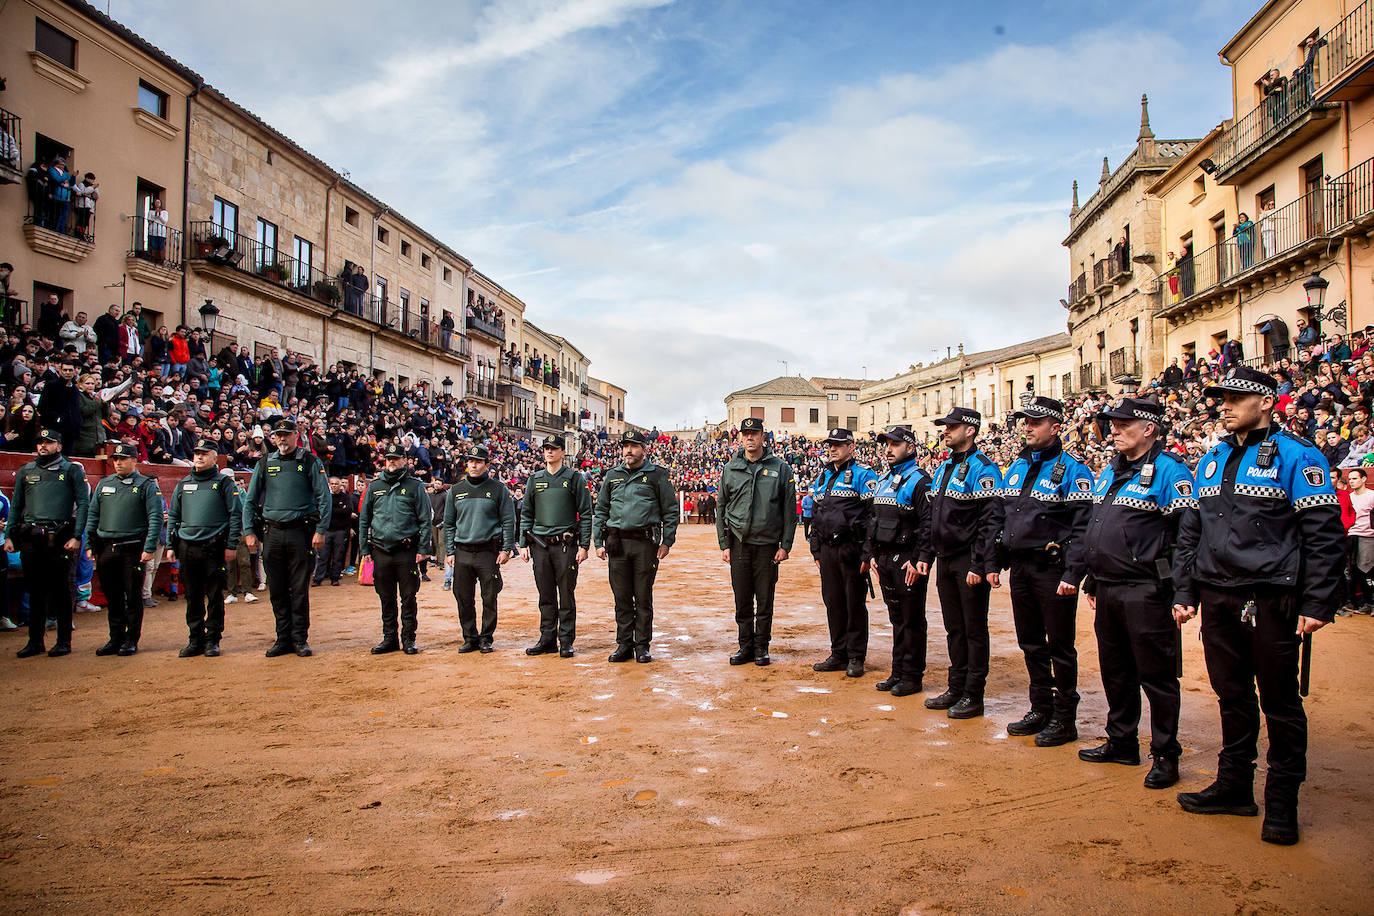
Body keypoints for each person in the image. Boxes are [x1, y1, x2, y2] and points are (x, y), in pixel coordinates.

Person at [1173, 366, 1345, 845]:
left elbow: (1324, 534)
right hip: (1218, 595)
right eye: (1218, 398)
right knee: (1232, 695)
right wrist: (1186, 591)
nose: (1221, 405)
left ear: (1266, 401)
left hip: (1272, 597)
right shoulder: (1211, 458)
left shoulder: (1298, 456)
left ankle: (1282, 802)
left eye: (1233, 397)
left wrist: (1317, 601)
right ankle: (1234, 786)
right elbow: (1192, 531)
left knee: (1281, 701)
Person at [1079, 396, 1195, 791]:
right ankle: (1122, 741)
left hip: (1148, 590)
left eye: (1123, 423)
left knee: (1157, 677)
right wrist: (1092, 578)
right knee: (1116, 671)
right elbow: (1098, 529)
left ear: (1148, 428)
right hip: (1109, 589)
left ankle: (1165, 754)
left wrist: (1182, 592)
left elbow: (1184, 537)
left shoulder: (1169, 471)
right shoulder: (1110, 470)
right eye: (1112, 423)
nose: (1113, 429)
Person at [999, 397, 1095, 745]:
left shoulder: (1073, 469)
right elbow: (1005, 516)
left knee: (1060, 646)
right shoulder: (1017, 466)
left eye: (1035, 422)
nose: (1027, 427)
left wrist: (1073, 574)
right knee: (1030, 643)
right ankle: (1040, 708)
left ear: (1055, 428)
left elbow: (1083, 527)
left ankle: (1065, 717)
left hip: (1053, 570)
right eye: (1026, 421)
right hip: (1021, 569)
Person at [924, 407, 1004, 719]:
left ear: (970, 430)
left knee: (973, 629)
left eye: (951, 427)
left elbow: (990, 521)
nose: (945, 431)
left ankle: (974, 694)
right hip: (945, 559)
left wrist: (978, 563)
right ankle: (956, 686)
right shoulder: (945, 468)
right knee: (954, 628)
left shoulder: (983, 468)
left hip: (968, 561)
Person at [242, 416, 331, 658]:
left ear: (296, 436)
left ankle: (299, 638)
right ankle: (283, 638)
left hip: (300, 532)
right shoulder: (264, 462)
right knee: (277, 588)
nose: (282, 439)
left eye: (286, 434)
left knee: (299, 589)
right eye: (278, 435)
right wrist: (249, 530)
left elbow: (324, 497)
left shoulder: (310, 460)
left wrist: (321, 529)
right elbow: (250, 500)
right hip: (272, 532)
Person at [716, 416, 796, 667]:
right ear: (740, 437)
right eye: (745, 433)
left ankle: (761, 647)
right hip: (739, 543)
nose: (749, 437)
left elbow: (789, 510)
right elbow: (721, 507)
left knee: (764, 600)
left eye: (754, 433)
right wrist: (724, 543)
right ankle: (745, 647)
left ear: (763, 436)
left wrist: (785, 545)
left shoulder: (780, 468)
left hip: (767, 545)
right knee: (741, 600)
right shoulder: (731, 468)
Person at [593, 429, 678, 663]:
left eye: (634, 446)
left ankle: (642, 645)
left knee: (642, 596)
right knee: (621, 597)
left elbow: (670, 510)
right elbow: (601, 509)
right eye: (625, 446)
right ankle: (624, 644)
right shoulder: (612, 475)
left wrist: (667, 541)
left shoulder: (657, 475)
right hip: (617, 543)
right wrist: (597, 542)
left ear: (644, 449)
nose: (628, 450)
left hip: (645, 543)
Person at [3, 429, 89, 658]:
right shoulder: (26, 470)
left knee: (62, 591)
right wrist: (10, 535)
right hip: (32, 537)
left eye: (49, 443)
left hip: (60, 536)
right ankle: (35, 641)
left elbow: (83, 505)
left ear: (58, 446)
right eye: (41, 442)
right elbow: (16, 506)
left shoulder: (71, 470)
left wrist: (77, 536)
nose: (43, 446)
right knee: (35, 591)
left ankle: (63, 641)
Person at [865, 424, 931, 696]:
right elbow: (872, 520)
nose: (888, 449)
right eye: (886, 445)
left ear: (910, 448)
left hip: (907, 559)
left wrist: (919, 559)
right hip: (885, 558)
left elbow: (928, 524)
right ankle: (898, 671)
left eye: (894, 444)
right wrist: (870, 554)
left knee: (911, 618)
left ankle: (912, 676)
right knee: (896, 618)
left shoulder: (920, 480)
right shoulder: (882, 480)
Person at [808, 427, 878, 678]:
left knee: (854, 604)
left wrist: (867, 553)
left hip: (851, 549)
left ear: (851, 447)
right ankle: (838, 652)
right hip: (827, 550)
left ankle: (856, 656)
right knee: (833, 603)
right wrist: (815, 549)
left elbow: (873, 517)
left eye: (838, 445)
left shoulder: (864, 475)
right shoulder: (823, 476)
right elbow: (815, 515)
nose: (832, 449)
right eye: (830, 445)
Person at [85, 442, 163, 656]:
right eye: (115, 460)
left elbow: (155, 518)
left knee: (132, 595)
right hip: (107, 547)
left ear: (134, 460)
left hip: (133, 548)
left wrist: (148, 547)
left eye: (123, 459)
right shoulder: (104, 484)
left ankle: (131, 639)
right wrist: (91, 544)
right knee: (113, 596)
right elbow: (93, 515)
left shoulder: (146, 485)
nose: (118, 463)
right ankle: (115, 637)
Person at [166, 438, 242, 657]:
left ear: (214, 457)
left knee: (215, 595)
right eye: (196, 453)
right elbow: (174, 515)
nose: (198, 457)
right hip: (187, 547)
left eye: (204, 453)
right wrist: (172, 545)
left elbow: (234, 515)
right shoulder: (183, 484)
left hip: (214, 547)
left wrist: (231, 544)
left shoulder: (224, 483)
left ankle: (213, 639)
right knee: (192, 595)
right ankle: (195, 639)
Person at [519, 435, 592, 658]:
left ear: (563, 452)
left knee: (566, 595)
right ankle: (547, 638)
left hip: (565, 546)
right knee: (546, 595)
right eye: (546, 448)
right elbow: (527, 513)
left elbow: (586, 513)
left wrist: (584, 545)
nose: (549, 452)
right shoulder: (535, 479)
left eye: (554, 448)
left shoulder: (574, 478)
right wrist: (523, 543)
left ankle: (566, 640)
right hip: (540, 545)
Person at [359, 442, 432, 655]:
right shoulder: (374, 486)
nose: (391, 462)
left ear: (404, 461)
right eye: (388, 458)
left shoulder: (415, 486)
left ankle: (409, 638)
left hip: (406, 550)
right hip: (381, 550)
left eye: (395, 458)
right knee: (386, 597)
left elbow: (425, 519)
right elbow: (365, 519)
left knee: (409, 597)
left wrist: (423, 548)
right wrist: (364, 549)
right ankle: (389, 638)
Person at [444, 445, 516, 653]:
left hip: (487, 552)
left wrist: (506, 549)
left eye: (478, 462)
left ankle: (486, 638)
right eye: (471, 462)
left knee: (489, 597)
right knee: (463, 597)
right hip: (462, 551)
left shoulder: (498, 489)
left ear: (486, 465)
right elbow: (449, 523)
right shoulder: (456, 491)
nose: (473, 465)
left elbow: (508, 520)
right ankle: (469, 637)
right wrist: (449, 551)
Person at [313, 477, 354, 586]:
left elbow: (348, 511)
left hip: (340, 530)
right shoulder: (325, 497)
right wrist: (339, 510)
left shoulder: (346, 497)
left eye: (336, 484)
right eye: (332, 484)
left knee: (338, 556)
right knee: (323, 556)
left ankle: (335, 578)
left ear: (340, 485)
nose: (334, 486)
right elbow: (321, 510)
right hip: (326, 530)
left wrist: (332, 510)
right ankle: (318, 579)